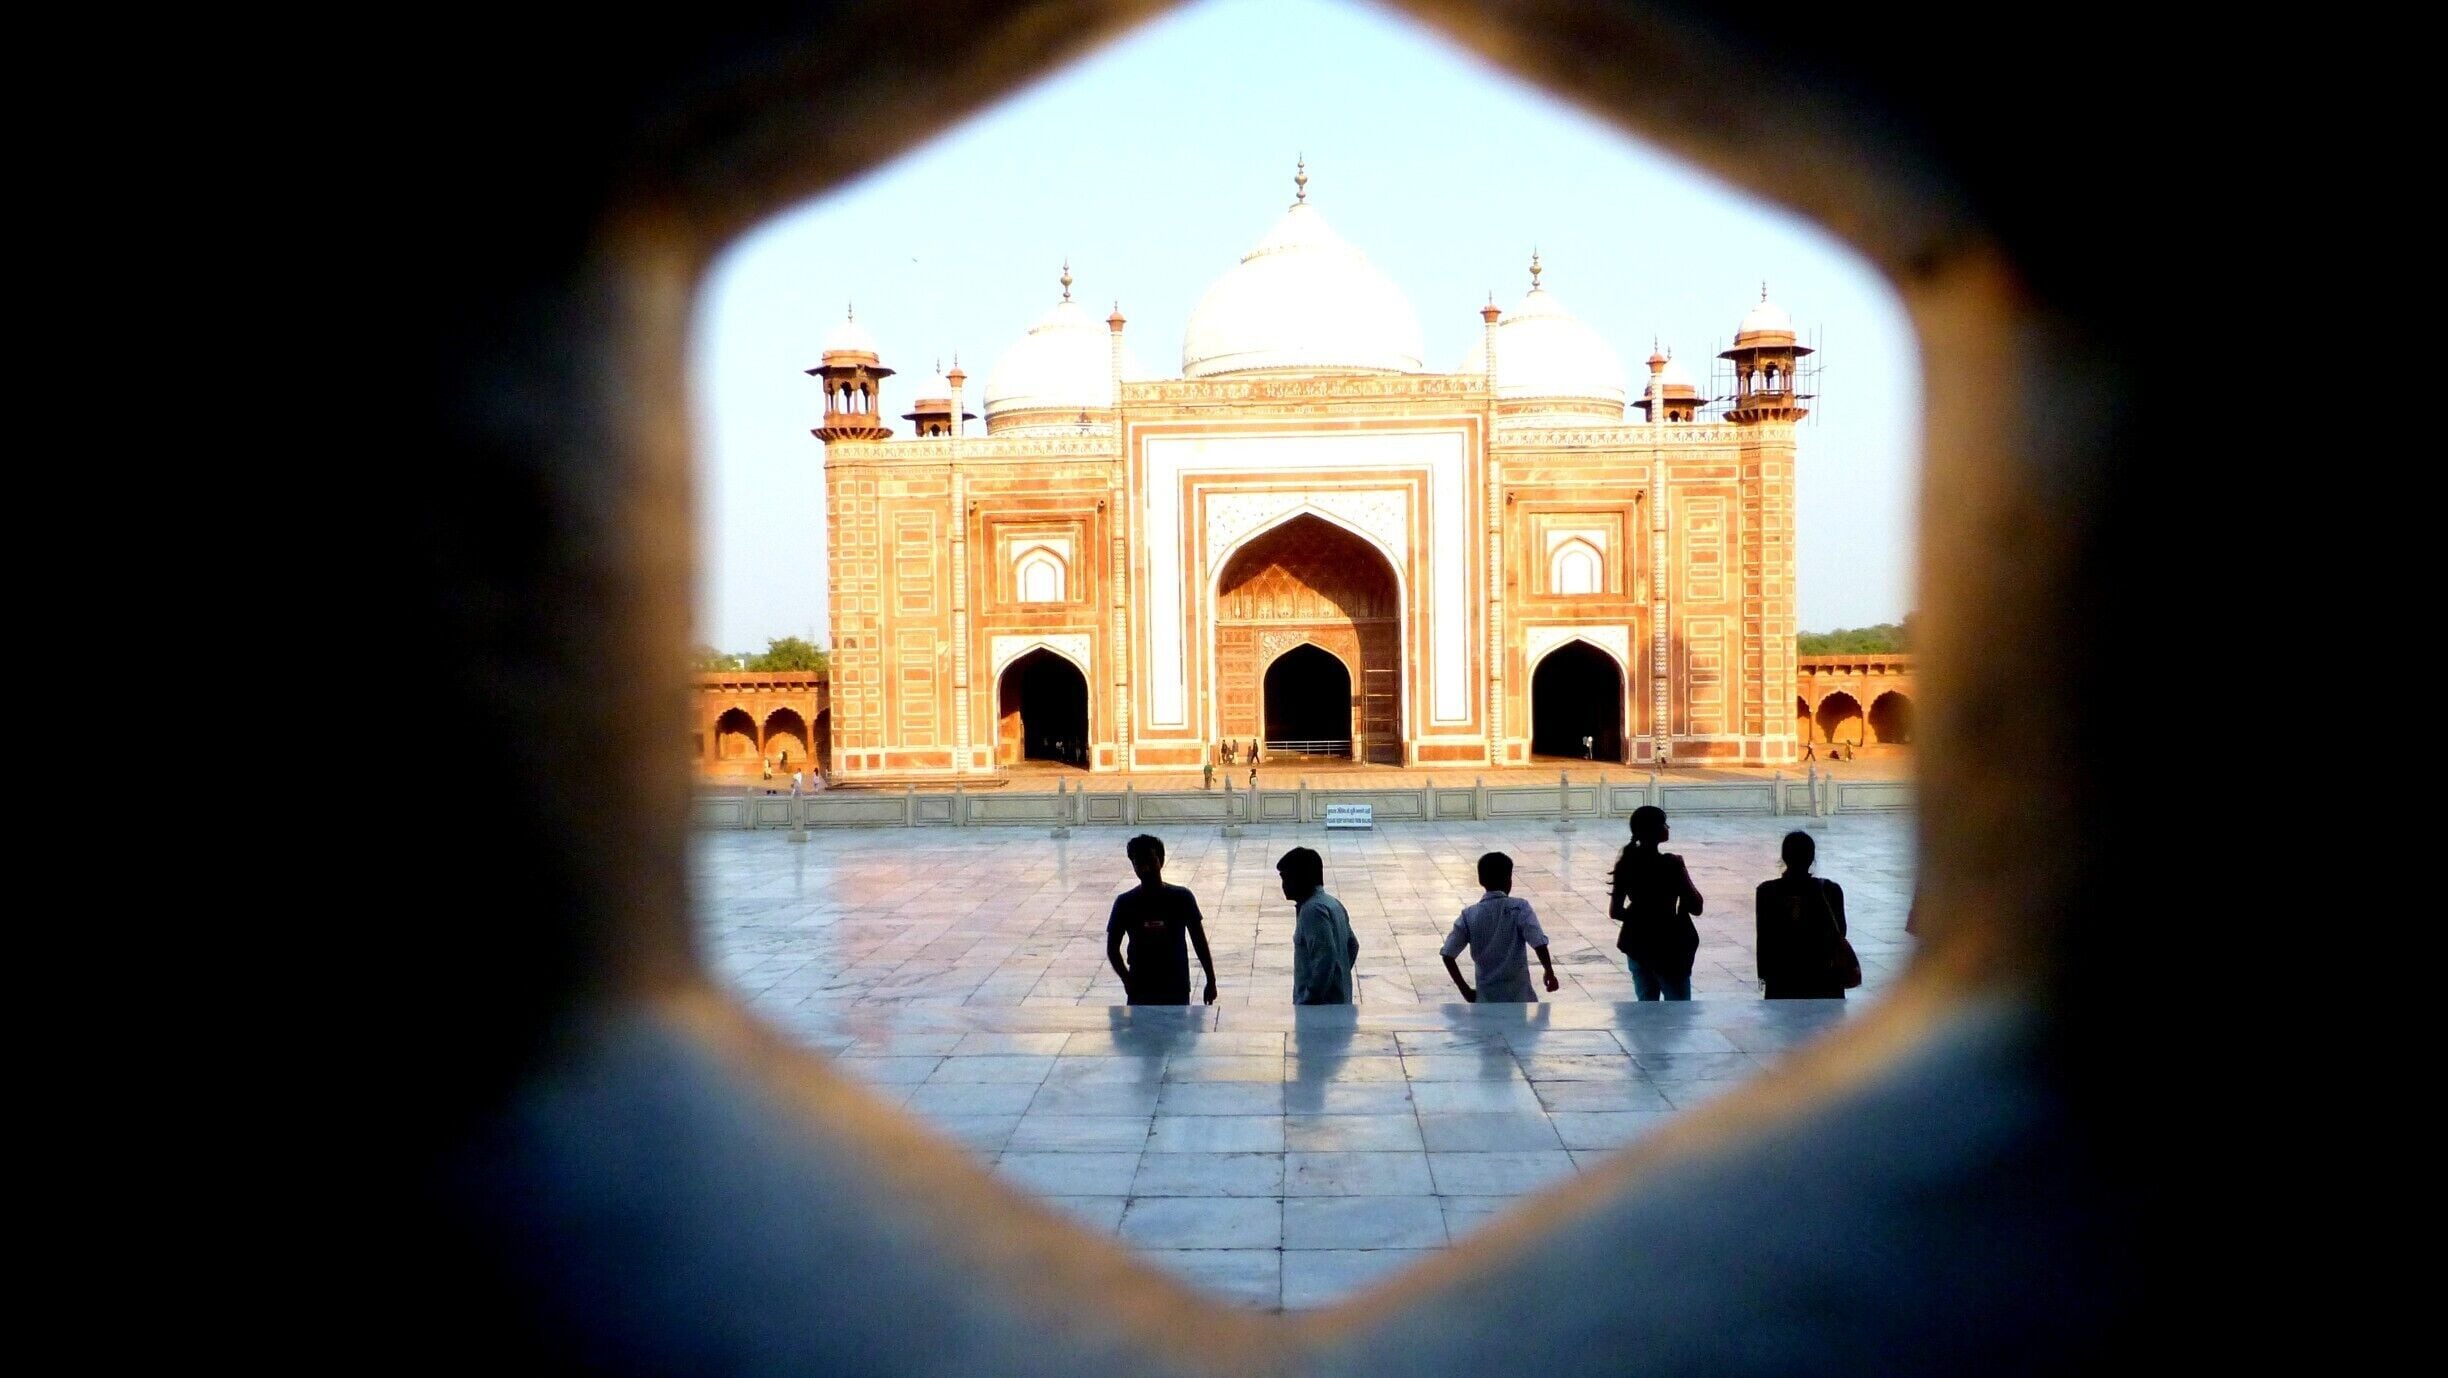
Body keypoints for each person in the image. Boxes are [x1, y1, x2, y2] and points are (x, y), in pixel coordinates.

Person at [1104, 834, 1218, 1006]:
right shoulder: (1125, 903)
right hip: (1141, 986)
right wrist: (1127, 979)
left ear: (1161, 860)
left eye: (1150, 861)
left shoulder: (1182, 898)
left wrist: (1211, 980)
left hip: (1175, 985)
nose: (1146, 869)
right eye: (1139, 863)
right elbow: (1112, 948)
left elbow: (1199, 942)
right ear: (1133, 866)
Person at [1610, 804, 1704, 1000]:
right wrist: (1682, 869)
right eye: (1664, 824)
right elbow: (1696, 906)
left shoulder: (1626, 863)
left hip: (1636, 943)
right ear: (1654, 830)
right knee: (1678, 1007)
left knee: (1646, 1005)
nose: (1667, 828)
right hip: (1668, 945)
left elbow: (1616, 911)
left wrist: (1641, 917)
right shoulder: (1671, 864)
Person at [1440, 851, 1559, 1003]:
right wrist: (1548, 971)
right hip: (1519, 997)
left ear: (1481, 880)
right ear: (1509, 880)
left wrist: (1466, 991)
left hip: (1486, 999)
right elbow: (1539, 943)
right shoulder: (1520, 908)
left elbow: (1448, 954)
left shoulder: (1469, 915)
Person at [1755, 829, 1850, 999]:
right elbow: (1840, 933)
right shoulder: (1830, 891)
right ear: (1812, 858)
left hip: (1782, 979)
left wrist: (1764, 975)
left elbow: (1765, 939)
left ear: (1784, 857)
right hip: (1824, 980)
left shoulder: (1766, 892)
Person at [1277, 845, 1357, 1005]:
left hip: (1320, 1009)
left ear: (1301, 877)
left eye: (1286, 878)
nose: (1284, 885)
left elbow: (1325, 958)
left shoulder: (1312, 910)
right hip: (1338, 1003)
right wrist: (1338, 977)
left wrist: (1311, 996)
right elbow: (1352, 946)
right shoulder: (1332, 903)